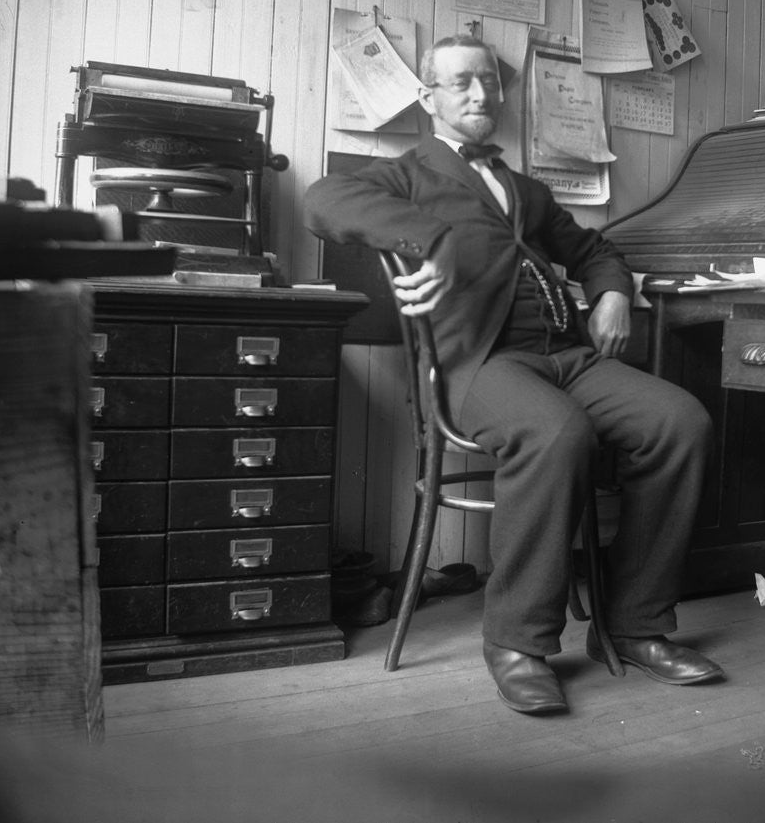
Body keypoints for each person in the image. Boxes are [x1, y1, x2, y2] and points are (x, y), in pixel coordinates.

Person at [305, 35, 723, 714]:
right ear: (429, 97)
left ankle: (634, 624)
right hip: (474, 363)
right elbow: (323, 199)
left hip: (565, 357)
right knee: (557, 431)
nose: (480, 95)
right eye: (461, 82)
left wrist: (612, 292)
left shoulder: (527, 190)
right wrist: (430, 239)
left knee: (680, 421)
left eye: (490, 82)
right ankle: (517, 643)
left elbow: (593, 249)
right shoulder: (407, 174)